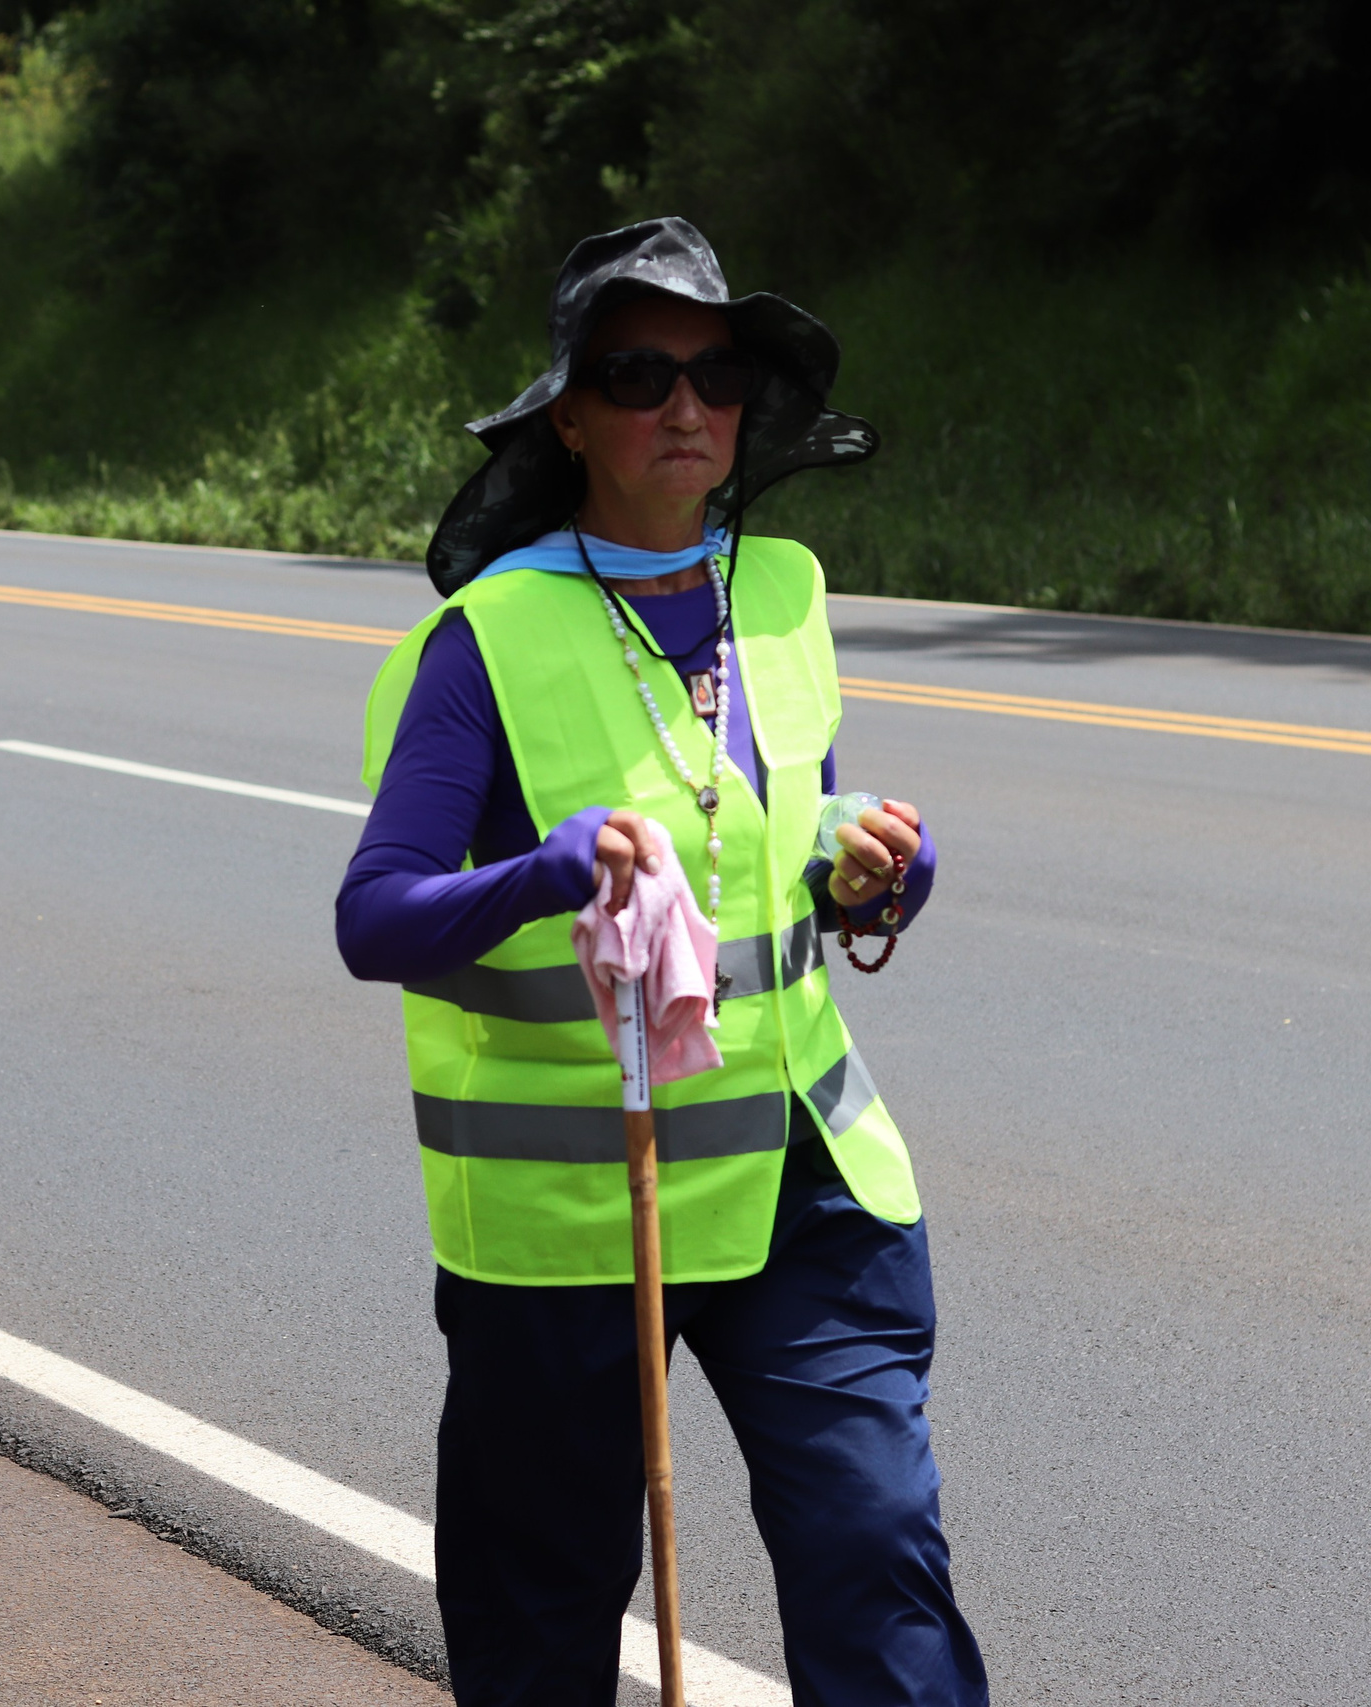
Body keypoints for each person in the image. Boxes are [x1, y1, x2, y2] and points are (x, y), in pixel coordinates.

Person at [339, 217, 987, 1707]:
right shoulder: (485, 641)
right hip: (570, 1220)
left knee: (876, 1542)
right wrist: (546, 871)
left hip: (803, 1180)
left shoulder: (782, 592)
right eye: (638, 374)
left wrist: (865, 858)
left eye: (715, 374)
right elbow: (376, 915)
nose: (684, 406)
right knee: (544, 1622)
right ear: (568, 413)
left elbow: (764, 832)